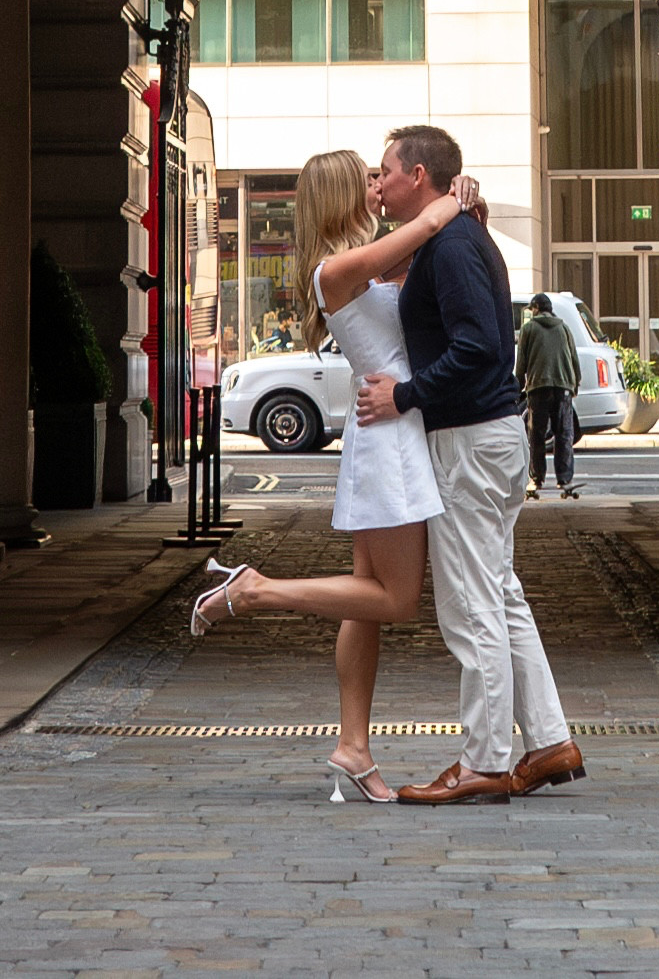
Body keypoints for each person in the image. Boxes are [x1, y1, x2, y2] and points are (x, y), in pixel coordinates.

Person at [179, 145, 458, 803]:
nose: (375, 183)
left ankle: (354, 746)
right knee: (395, 599)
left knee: (366, 596)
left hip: (384, 429)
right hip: (387, 440)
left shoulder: (360, 267)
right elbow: (425, 227)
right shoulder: (335, 268)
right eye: (365, 176)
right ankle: (254, 591)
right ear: (339, 194)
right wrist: (456, 194)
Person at [364, 122, 582, 806]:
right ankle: (547, 740)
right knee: (500, 592)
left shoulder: (453, 243)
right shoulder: (452, 234)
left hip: (468, 439)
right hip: (485, 435)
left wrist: (403, 394)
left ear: (420, 175)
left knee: (471, 604)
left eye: (386, 171)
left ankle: (484, 759)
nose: (380, 182)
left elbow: (479, 348)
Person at [515, 295, 583, 500]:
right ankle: (564, 478)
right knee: (564, 434)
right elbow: (574, 358)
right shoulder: (564, 328)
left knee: (536, 435)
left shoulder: (528, 329)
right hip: (563, 387)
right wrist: (575, 384)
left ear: (536, 308)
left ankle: (537, 478)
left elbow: (522, 363)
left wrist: (518, 388)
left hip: (538, 388)